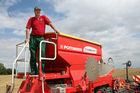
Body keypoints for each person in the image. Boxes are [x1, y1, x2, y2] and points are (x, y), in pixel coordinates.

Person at [25, 6, 59, 75]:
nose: (38, 12)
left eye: (39, 11)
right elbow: (28, 29)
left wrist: (55, 30)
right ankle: (33, 70)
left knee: (42, 54)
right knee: (33, 55)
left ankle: (41, 71)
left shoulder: (43, 17)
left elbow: (50, 23)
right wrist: (27, 38)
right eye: (37, 10)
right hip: (33, 38)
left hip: (41, 38)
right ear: (34, 11)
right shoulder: (31, 19)